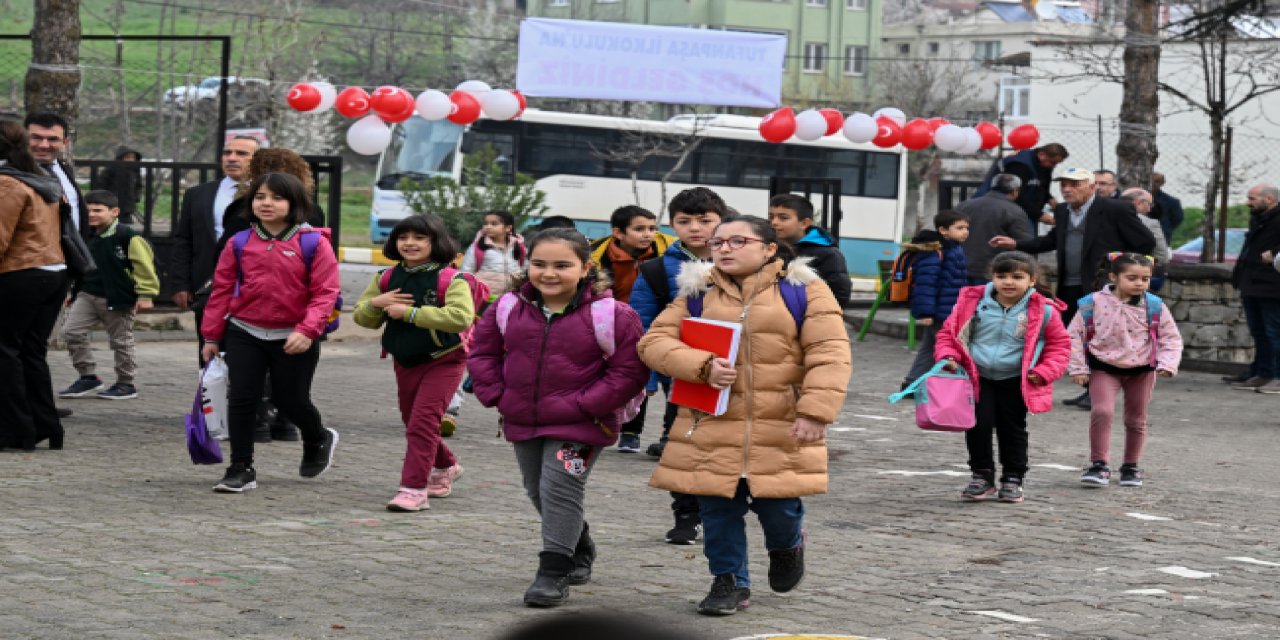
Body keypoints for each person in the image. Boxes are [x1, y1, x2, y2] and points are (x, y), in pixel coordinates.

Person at [637, 216, 852, 616]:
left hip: (781, 423)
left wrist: (815, 412)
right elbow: (654, 343)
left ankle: (788, 546)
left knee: (779, 509)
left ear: (769, 248)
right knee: (718, 510)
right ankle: (728, 581)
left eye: (738, 241)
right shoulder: (696, 292)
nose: (724, 248)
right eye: (719, 242)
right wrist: (701, 365)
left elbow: (831, 353)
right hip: (711, 423)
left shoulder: (803, 290)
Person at [468, 228, 648, 607]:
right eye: (539, 264)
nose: (549, 273)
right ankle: (578, 544)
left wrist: (586, 405)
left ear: (585, 268)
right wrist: (496, 395)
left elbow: (628, 372)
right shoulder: (507, 307)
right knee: (538, 490)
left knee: (560, 487)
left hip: (583, 424)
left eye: (562, 265)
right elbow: (483, 353)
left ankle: (553, 571)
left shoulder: (613, 314)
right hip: (522, 417)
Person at [199, 172, 341, 493]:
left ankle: (317, 436)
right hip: (244, 330)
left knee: (291, 401)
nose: (267, 203)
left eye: (277, 197)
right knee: (242, 398)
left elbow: (325, 293)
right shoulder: (239, 242)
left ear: (294, 204)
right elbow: (221, 291)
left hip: (295, 336)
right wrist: (211, 335)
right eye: (260, 196)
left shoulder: (313, 243)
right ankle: (240, 467)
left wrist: (307, 330)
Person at [990, 167, 1156, 411]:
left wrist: (1120, 267)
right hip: (1070, 284)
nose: (1067, 189)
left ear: (1091, 187)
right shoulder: (1062, 211)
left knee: (1100, 336)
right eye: (1064, 185)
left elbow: (1145, 242)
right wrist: (1017, 244)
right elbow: (1051, 240)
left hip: (1101, 285)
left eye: (1074, 184)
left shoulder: (1114, 209)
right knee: (1078, 336)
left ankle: (1098, 392)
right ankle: (1091, 389)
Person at [353, 215, 472, 512]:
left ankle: (414, 489)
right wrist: (375, 305)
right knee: (414, 422)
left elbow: (460, 317)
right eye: (403, 237)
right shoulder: (384, 278)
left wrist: (410, 313)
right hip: (405, 360)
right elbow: (362, 318)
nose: (410, 243)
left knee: (422, 423)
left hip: (445, 360)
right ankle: (447, 465)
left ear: (436, 242)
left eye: (420, 237)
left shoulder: (450, 279)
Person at [628, 186, 725, 545]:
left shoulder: (744, 260)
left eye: (705, 220)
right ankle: (686, 514)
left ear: (722, 222)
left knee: (727, 443)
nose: (695, 228)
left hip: (738, 369)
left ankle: (725, 510)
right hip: (683, 371)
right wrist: (646, 375)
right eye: (684, 221)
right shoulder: (656, 269)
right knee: (681, 441)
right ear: (672, 225)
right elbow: (644, 326)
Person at [935, 252, 1071, 503]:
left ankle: (1013, 478)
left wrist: (1043, 372)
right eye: (1002, 276)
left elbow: (1060, 346)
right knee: (978, 425)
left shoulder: (1044, 310)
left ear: (1031, 280)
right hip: (978, 376)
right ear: (992, 278)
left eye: (1017, 277)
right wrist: (948, 357)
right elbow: (948, 334)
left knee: (1012, 429)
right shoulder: (972, 302)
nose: (1008, 282)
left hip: (1017, 379)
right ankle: (981, 476)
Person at [1068, 254, 1183, 489]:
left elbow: (1171, 338)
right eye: (1132, 278)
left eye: (1145, 278)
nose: (1139, 283)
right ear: (1113, 277)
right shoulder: (1091, 303)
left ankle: (1131, 466)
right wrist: (1078, 367)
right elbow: (1073, 337)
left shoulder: (1155, 306)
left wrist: (1168, 363)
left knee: (1136, 419)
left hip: (1142, 370)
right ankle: (1098, 465)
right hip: (1103, 367)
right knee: (1102, 411)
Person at [0, 119, 69, 450]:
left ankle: (17, 430)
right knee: (30, 352)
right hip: (51, 273)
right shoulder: (39, 180)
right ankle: (46, 425)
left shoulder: (8, 184)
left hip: (21, 273)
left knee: (5, 351)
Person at [58, 190, 159, 401]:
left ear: (115, 212)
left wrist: (145, 294)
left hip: (117, 297)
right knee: (71, 332)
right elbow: (82, 267)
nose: (92, 214)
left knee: (120, 342)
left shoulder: (127, 237)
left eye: (98, 210)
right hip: (87, 295)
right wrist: (74, 292)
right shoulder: (85, 235)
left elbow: (144, 268)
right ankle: (88, 376)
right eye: (88, 211)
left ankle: (125, 382)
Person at [590, 205, 675, 453]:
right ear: (618, 232)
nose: (647, 234)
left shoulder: (668, 251)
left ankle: (670, 434)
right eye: (639, 229)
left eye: (652, 228)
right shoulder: (598, 256)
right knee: (635, 378)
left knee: (672, 382)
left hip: (661, 323)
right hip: (617, 326)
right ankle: (629, 432)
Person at [171, 135, 259, 351]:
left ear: (258, 159)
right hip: (208, 284)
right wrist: (181, 283)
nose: (231, 158)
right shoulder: (199, 194)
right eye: (227, 153)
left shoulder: (268, 195)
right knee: (209, 348)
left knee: (246, 351)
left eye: (241, 154)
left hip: (253, 284)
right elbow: (184, 240)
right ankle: (209, 385)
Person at [447, 210, 528, 436]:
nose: (488, 227)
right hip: (481, 306)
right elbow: (466, 274)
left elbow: (526, 272)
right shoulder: (479, 248)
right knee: (466, 351)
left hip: (509, 304)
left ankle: (508, 409)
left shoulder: (519, 248)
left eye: (494, 223)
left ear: (508, 227)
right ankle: (450, 410)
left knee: (507, 354)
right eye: (486, 223)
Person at [902, 209, 970, 385]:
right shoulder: (935, 251)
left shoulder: (954, 249)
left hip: (948, 308)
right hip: (939, 310)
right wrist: (926, 313)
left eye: (966, 228)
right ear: (943, 230)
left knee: (930, 346)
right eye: (959, 228)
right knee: (947, 345)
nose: (965, 232)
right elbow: (926, 283)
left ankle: (913, 381)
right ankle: (950, 382)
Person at [1227, 184, 1280, 392]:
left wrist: (1275, 253)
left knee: (1273, 331)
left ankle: (1277, 375)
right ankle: (1262, 372)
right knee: (1259, 331)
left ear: (1269, 199)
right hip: (1252, 282)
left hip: (1272, 285)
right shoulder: (1260, 219)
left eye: (1252, 198)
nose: (1248, 202)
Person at [768, 193, 852, 307]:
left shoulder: (827, 254)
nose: (774, 222)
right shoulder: (768, 248)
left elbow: (839, 296)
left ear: (804, 223)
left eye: (783, 218)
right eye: (771, 217)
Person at [973, 143, 1070, 230]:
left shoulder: (1044, 165)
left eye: (1057, 163)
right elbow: (1014, 195)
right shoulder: (1020, 165)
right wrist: (1040, 215)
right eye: (1053, 162)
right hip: (997, 208)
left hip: (1024, 210)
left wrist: (1051, 200)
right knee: (1024, 241)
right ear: (1041, 155)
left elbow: (1041, 188)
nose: (1054, 166)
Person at [957, 173, 1032, 285]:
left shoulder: (964, 205)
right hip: (992, 270)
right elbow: (1024, 244)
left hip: (960, 268)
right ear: (1015, 191)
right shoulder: (1014, 211)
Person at [25, 112, 88, 238]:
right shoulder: (9, 173)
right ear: (23, 138)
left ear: (65, 143)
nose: (44, 145)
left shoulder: (65, 170)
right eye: (36, 137)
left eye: (52, 139)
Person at [1120, 188, 1170, 291]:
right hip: (1137, 278)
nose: (1149, 210)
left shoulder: (1101, 216)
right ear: (1138, 202)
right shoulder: (1150, 223)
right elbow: (1161, 255)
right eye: (1149, 204)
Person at [91, 147, 142, 225]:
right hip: (112, 205)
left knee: (127, 227)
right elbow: (101, 185)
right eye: (128, 157)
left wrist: (136, 198)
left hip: (127, 207)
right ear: (121, 158)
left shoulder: (135, 171)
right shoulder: (110, 170)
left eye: (133, 157)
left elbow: (138, 186)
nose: (131, 160)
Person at [1152, 172, 1184, 244]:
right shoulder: (1137, 197)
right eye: (1151, 181)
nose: (1153, 184)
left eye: (1156, 181)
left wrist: (1166, 227)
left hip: (1162, 235)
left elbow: (1177, 219)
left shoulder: (1172, 201)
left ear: (1162, 183)